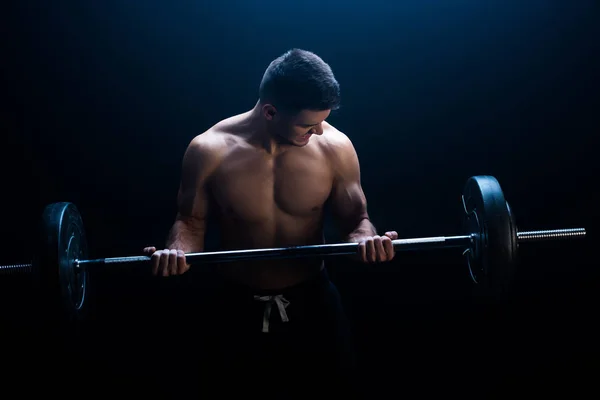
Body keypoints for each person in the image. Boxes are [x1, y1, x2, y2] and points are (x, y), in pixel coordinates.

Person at [143, 48, 398, 388]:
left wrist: (364, 240)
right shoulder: (209, 151)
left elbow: (356, 219)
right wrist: (177, 253)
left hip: (313, 301)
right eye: (309, 125)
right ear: (270, 111)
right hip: (233, 304)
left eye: (322, 121)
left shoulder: (336, 148)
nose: (320, 131)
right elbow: (190, 222)